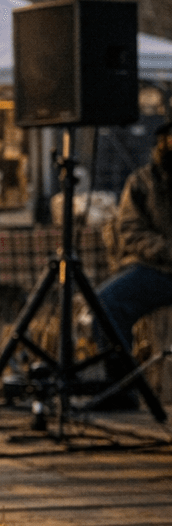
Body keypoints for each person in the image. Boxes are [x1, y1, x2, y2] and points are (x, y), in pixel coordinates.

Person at [94, 120, 172, 399]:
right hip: (159, 270)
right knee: (105, 303)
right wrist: (165, 250)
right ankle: (120, 387)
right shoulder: (142, 181)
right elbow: (131, 229)